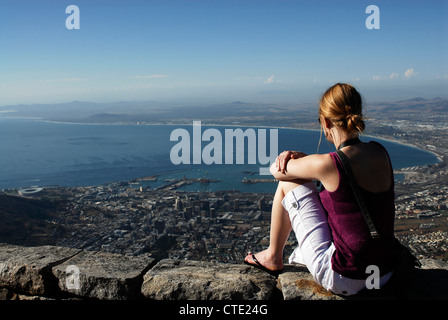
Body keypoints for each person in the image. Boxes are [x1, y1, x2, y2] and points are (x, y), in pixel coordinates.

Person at [244, 83, 394, 296]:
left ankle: (272, 255)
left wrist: (290, 155)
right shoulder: (380, 152)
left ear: (325, 121)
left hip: (348, 278)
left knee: (289, 183)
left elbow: (278, 171)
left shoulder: (329, 164)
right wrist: (310, 162)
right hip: (384, 272)